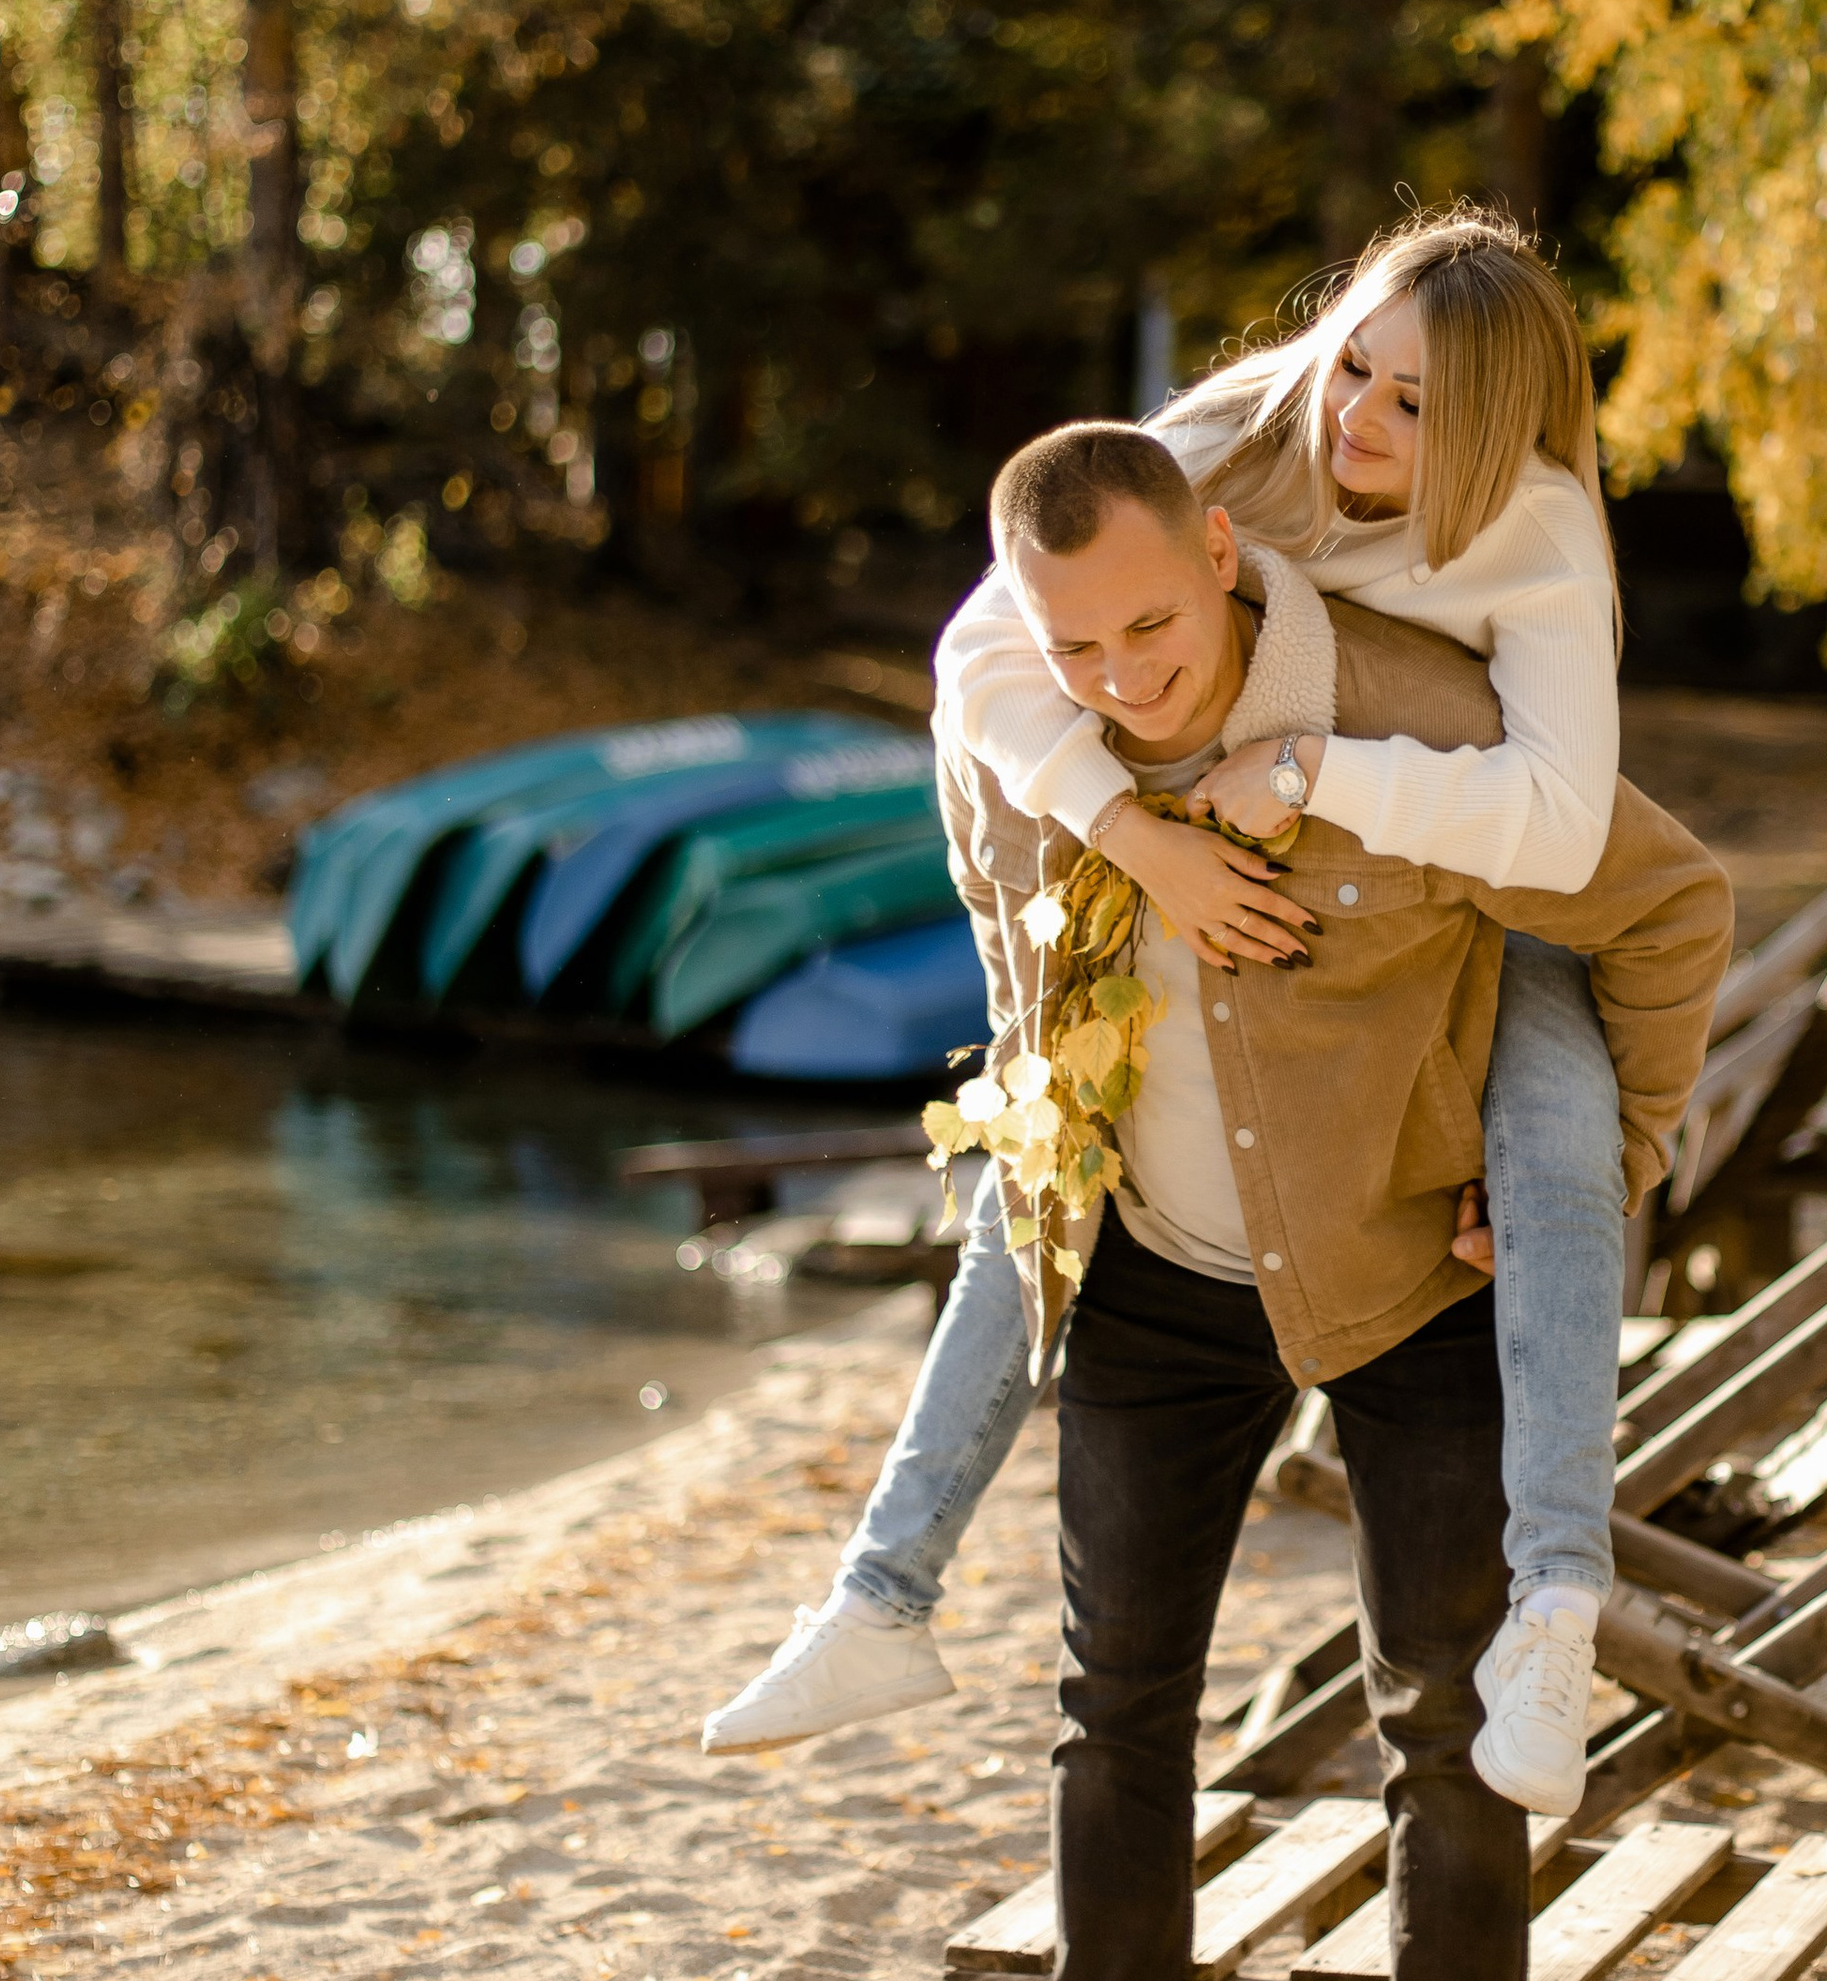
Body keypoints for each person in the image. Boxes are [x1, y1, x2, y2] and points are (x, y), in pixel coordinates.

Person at [914, 423, 1729, 1981]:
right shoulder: (1042, 743)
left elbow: (1666, 905)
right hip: (1157, 1272)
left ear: (1220, 546)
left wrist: (1585, 1187)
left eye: (1146, 628)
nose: (1121, 678)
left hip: (1401, 1271)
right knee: (1113, 1709)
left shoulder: (1419, 718)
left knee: (1440, 1723)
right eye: (1076, 646)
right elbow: (1007, 956)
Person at [705, 210, 1653, 1816]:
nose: (1356, 416)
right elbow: (981, 657)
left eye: (1414, 403)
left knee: (1561, 1146)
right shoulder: (1236, 441)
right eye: (1356, 359)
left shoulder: (1544, 537)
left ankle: (1562, 1607)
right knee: (1049, 1136)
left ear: (1491, 427)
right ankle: (883, 1593)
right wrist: (1134, 831)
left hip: (1459, 877)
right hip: (1191, 847)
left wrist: (1312, 773)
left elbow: (1565, 830)